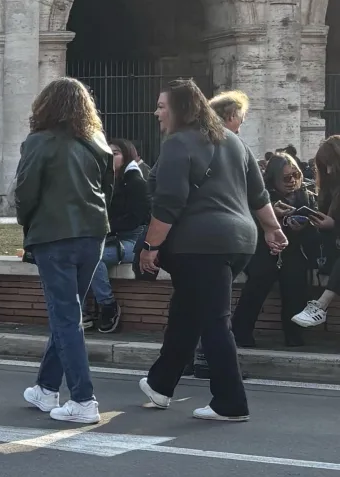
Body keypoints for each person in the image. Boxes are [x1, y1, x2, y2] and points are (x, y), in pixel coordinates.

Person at [137, 79, 287, 423]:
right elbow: (259, 194)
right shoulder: (233, 141)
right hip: (240, 243)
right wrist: (272, 229)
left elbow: (169, 203)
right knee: (187, 311)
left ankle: (230, 402)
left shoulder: (177, 144)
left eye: (162, 106)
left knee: (214, 321)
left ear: (179, 110)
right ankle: (160, 385)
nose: (157, 112)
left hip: (200, 245)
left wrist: (150, 246)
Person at [14, 77, 114, 425]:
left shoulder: (39, 142)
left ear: (45, 106)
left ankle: (84, 399)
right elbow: (107, 189)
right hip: (93, 234)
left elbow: (25, 192)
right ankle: (45, 388)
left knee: (66, 317)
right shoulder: (97, 142)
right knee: (68, 314)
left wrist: (27, 222)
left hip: (55, 236)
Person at [232, 153, 316, 348]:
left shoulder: (307, 195)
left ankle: (294, 335)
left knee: (295, 284)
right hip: (264, 250)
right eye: (286, 178)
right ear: (274, 179)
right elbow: (247, 220)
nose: (293, 181)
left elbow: (314, 233)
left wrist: (306, 226)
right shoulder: (263, 196)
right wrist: (270, 218)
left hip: (294, 251)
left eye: (296, 175)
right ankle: (240, 333)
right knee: (258, 282)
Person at [87, 138, 151, 334]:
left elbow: (135, 219)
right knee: (79, 256)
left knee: (92, 259)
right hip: (109, 238)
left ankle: (109, 305)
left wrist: (104, 226)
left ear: (127, 156)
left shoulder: (136, 182)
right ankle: (82, 312)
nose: (110, 158)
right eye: (108, 154)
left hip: (132, 241)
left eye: (115, 154)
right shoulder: (104, 182)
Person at [292, 135, 340, 331]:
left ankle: (321, 305)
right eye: (323, 166)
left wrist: (334, 226)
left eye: (331, 164)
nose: (328, 170)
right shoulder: (330, 189)